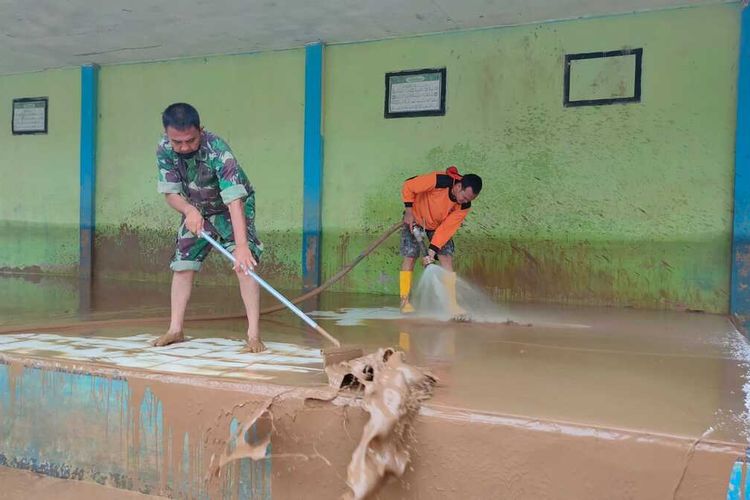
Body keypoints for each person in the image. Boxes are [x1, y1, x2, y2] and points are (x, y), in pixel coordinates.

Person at [151, 102, 266, 353]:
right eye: (176, 142)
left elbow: (234, 200)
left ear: (200, 130)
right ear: (167, 135)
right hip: (195, 208)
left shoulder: (218, 150)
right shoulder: (164, 148)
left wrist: (243, 246)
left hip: (230, 208)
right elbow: (170, 193)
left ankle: (254, 336)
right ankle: (175, 329)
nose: (183, 147)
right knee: (182, 264)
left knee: (244, 266)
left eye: (190, 141)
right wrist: (189, 210)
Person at [399, 166, 483, 319]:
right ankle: (405, 302)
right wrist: (409, 212)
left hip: (437, 226)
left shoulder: (464, 206)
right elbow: (408, 186)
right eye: (464, 197)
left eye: (469, 200)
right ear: (458, 187)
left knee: (446, 258)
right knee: (410, 257)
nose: (464, 201)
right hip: (415, 218)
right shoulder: (439, 180)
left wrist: (431, 252)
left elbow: (445, 230)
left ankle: (452, 305)